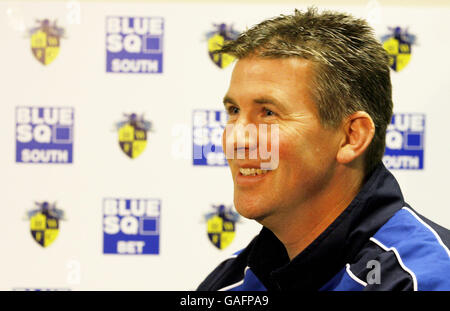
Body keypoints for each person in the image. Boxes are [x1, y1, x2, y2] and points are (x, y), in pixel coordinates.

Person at [197, 8, 450, 291]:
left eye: (268, 113)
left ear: (351, 137)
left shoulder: (422, 278)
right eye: (234, 110)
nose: (236, 140)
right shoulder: (231, 280)